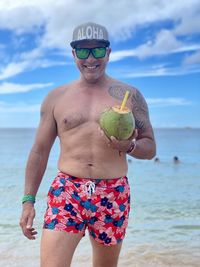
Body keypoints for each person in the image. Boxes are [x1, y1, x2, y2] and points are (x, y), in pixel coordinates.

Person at [19, 22, 156, 267]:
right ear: (73, 54)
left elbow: (150, 148)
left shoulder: (130, 95)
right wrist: (28, 200)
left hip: (113, 191)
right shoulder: (56, 98)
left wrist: (130, 146)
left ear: (109, 52)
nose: (90, 58)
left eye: (98, 51)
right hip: (68, 190)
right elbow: (40, 152)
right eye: (83, 51)